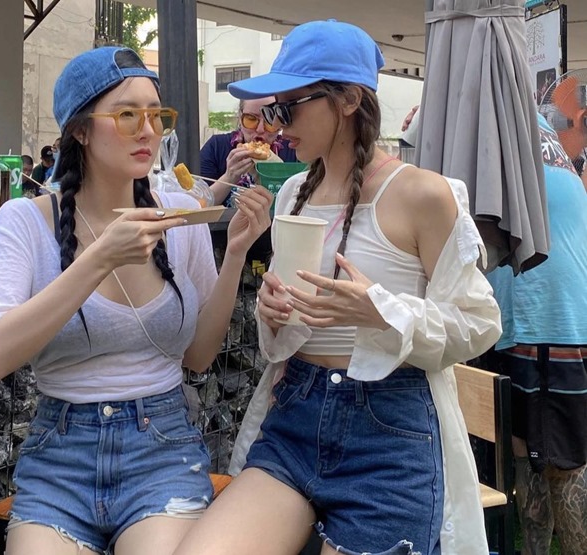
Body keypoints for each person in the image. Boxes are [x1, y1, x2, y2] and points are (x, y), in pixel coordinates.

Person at [174, 20, 501, 555]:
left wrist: (380, 310)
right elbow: (287, 333)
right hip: (295, 413)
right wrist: (273, 313)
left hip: (390, 427)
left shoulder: (424, 194)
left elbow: (480, 323)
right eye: (271, 112)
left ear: (348, 100)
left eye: (288, 109)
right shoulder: (293, 193)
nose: (275, 127)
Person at [0, 46, 272, 555]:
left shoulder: (180, 215)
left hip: (161, 452)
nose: (148, 130)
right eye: (128, 114)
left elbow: (199, 357)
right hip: (59, 458)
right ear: (80, 130)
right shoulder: (24, 221)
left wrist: (237, 254)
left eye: (157, 115)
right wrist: (99, 259)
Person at [485, 114, 587, 555]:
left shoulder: (501, 132)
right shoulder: (541, 140)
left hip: (544, 323)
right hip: (544, 322)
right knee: (529, 456)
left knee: (562, 466)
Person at [200, 98, 297, 205]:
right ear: (240, 117)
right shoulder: (216, 146)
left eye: (270, 121)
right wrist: (229, 177)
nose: (260, 129)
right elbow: (199, 205)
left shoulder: (294, 149)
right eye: (251, 119)